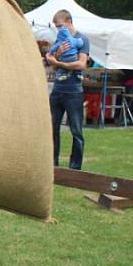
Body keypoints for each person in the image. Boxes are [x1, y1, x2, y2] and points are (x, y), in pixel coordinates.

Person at [45, 9, 89, 170]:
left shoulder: (82, 39)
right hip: (57, 91)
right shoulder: (60, 40)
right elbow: (53, 66)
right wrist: (55, 57)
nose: (58, 29)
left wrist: (59, 63)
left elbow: (81, 64)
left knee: (76, 131)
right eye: (56, 27)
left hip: (74, 92)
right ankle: (52, 165)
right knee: (52, 128)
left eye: (60, 26)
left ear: (69, 21)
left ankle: (75, 168)